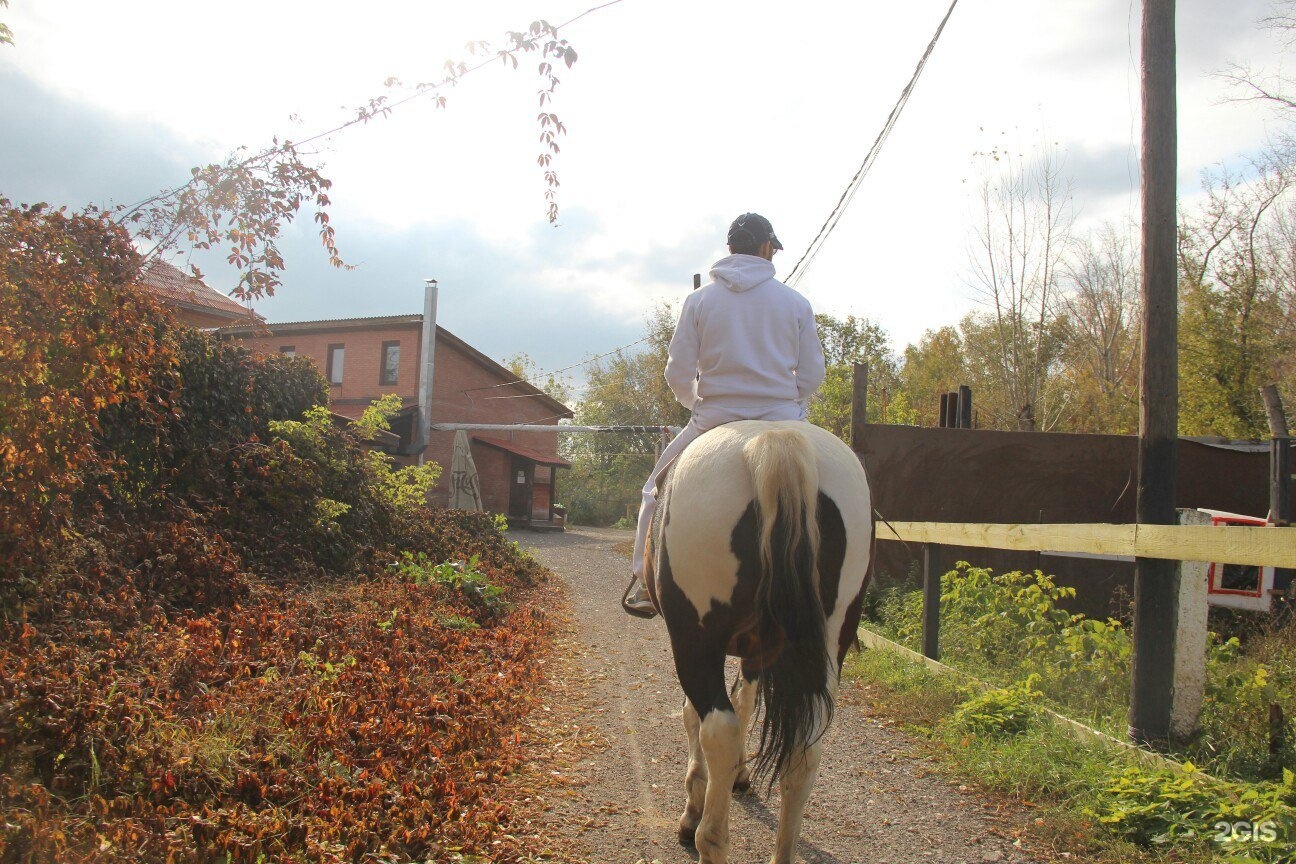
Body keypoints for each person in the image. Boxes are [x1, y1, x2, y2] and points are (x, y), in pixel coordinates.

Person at [625, 212, 826, 617]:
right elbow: (812, 375)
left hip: (715, 417)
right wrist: (790, 402)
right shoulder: (795, 302)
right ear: (768, 248)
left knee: (653, 490)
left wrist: (697, 402)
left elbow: (677, 373)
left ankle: (645, 584)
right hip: (782, 416)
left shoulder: (699, 301)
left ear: (730, 248)